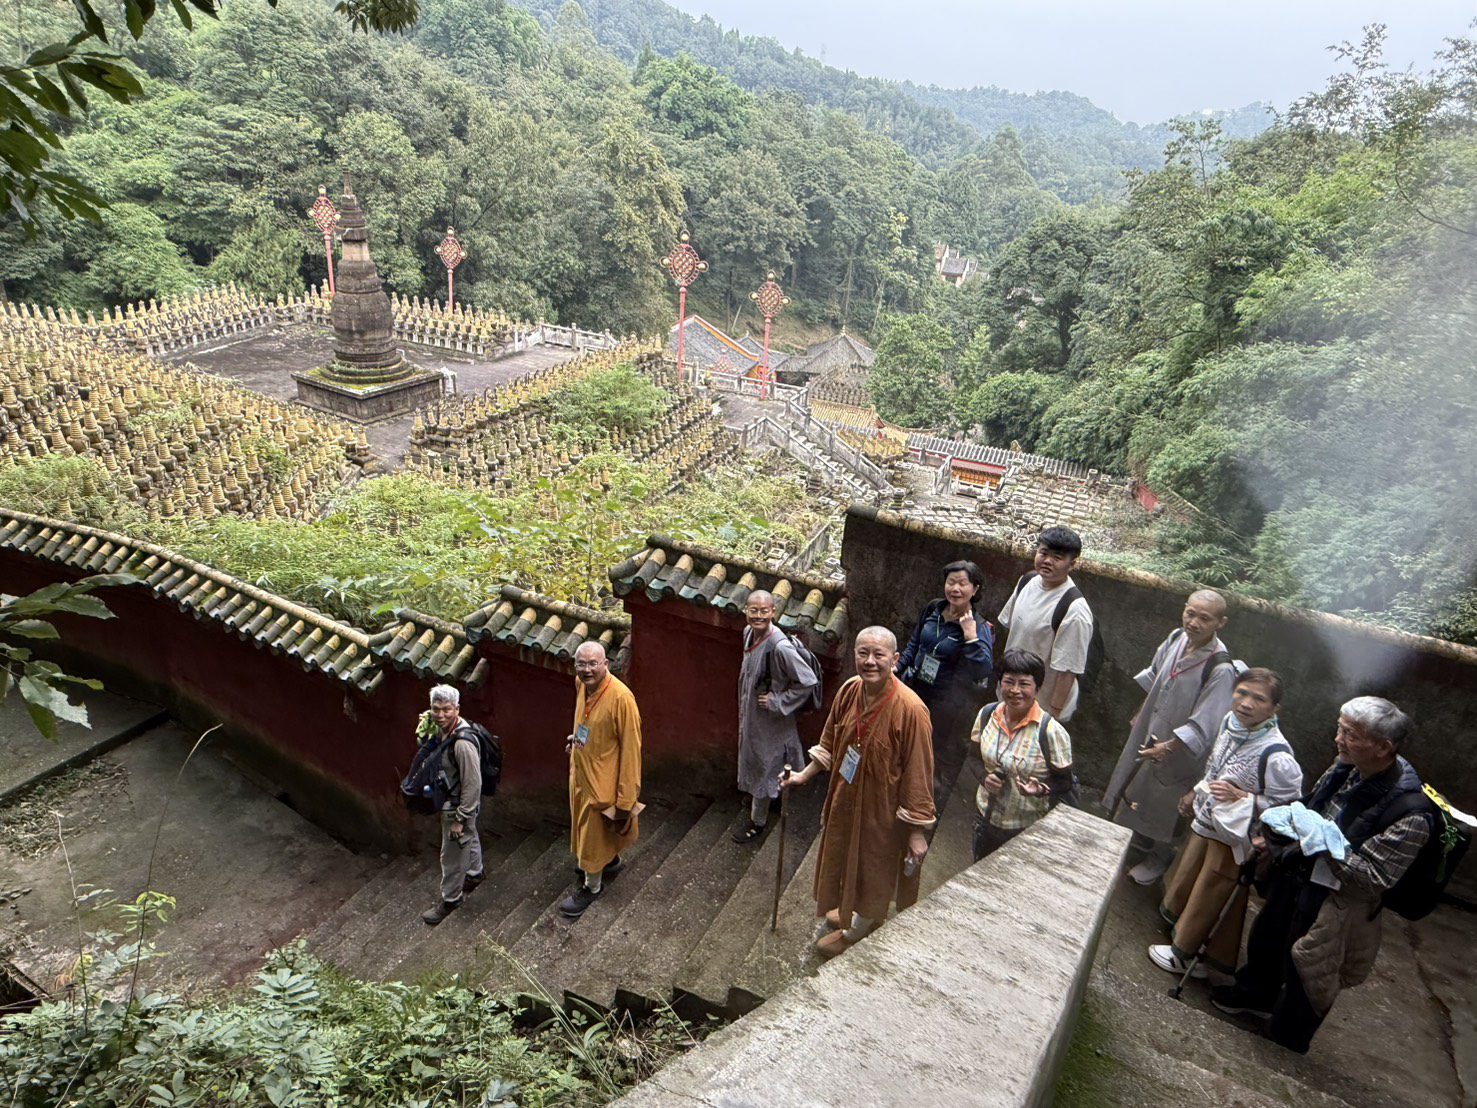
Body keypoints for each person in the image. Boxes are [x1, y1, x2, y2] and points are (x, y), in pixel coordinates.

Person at [1212, 698, 1431, 1053]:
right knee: (1270, 934)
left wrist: (1327, 844)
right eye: (1339, 728)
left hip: (1339, 900)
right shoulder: (1350, 765)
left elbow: (1375, 877)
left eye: (1350, 734)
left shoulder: (1411, 813)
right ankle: (1254, 996)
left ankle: (1284, 1042)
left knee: (1311, 969)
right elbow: (1314, 806)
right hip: (1302, 872)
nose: (1338, 740)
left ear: (1383, 747)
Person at [780, 626, 935, 960]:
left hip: (882, 811)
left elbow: (919, 773)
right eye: (863, 653)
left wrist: (917, 831)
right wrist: (804, 776)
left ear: (894, 660)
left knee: (872, 866)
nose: (870, 661)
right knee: (844, 854)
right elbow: (831, 740)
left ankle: (858, 929)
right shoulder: (851, 690)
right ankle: (851, 906)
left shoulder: (911, 709)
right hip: (846, 798)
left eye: (879, 655)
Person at [1150, 668, 1303, 981]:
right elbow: (1214, 767)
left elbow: (1290, 806)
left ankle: (1185, 954)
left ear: (1275, 709)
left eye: (1258, 699)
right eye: (1241, 693)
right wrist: (1196, 790)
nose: (1246, 703)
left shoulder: (1277, 755)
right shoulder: (1229, 723)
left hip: (1236, 837)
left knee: (1214, 890)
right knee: (1195, 876)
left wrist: (1244, 796)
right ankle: (1186, 936)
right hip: (1211, 823)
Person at [1102, 590, 1237, 885]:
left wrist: (1169, 746)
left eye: (1205, 618)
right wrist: (1141, 711)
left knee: (1168, 803)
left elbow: (1208, 722)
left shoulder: (1221, 668)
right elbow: (1156, 675)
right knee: (1137, 787)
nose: (1195, 622)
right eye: (1191, 613)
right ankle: (1135, 841)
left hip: (1181, 747)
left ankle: (1159, 859)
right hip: (1152, 724)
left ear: (1220, 623)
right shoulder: (1177, 637)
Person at [896, 560, 994, 810]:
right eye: (951, 582)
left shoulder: (979, 626)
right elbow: (915, 641)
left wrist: (970, 635)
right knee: (904, 738)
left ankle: (922, 801)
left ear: (975, 588)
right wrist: (898, 668)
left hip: (945, 702)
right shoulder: (933, 609)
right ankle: (898, 786)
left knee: (930, 749)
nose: (955, 589)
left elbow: (983, 668)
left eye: (963, 583)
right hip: (914, 686)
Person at [560, 642, 643, 919]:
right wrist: (577, 740)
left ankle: (591, 887)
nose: (587, 670)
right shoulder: (581, 684)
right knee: (585, 828)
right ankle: (610, 862)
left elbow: (632, 750)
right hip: (581, 770)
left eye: (593, 664)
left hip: (604, 781)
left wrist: (626, 798)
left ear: (605, 664)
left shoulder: (622, 698)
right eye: (581, 664)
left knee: (595, 833)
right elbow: (587, 722)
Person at [968, 649, 1074, 860]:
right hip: (985, 818)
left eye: (1024, 684)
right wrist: (984, 778)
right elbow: (972, 757)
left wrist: (1041, 789)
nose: (1015, 690)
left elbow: (1065, 782)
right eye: (1009, 681)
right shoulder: (988, 714)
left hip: (1025, 828)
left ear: (1037, 688)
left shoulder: (1050, 732)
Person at [733, 590, 819, 843]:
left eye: (764, 611)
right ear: (746, 611)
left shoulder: (779, 646)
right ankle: (769, 798)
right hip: (753, 716)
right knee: (761, 762)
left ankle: (756, 823)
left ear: (773, 612)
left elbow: (808, 681)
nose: (758, 616)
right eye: (753, 610)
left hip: (772, 721)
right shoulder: (748, 633)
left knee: (766, 764)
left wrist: (778, 701)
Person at [996, 526, 1093, 721]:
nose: (1047, 561)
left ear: (1071, 564)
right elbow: (1009, 631)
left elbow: (1068, 670)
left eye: (1057, 557)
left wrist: (1051, 718)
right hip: (1011, 698)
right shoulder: (1027, 581)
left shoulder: (1074, 610)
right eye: (1043, 553)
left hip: (1041, 709)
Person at [421, 685, 485, 926]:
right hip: (462, 804)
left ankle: (451, 899)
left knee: (451, 856)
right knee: (471, 836)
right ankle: (476, 872)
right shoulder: (449, 730)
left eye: (447, 710)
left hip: (458, 806)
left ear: (457, 709)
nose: (441, 715)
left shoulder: (462, 743)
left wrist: (460, 817)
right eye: (435, 710)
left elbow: (472, 783)